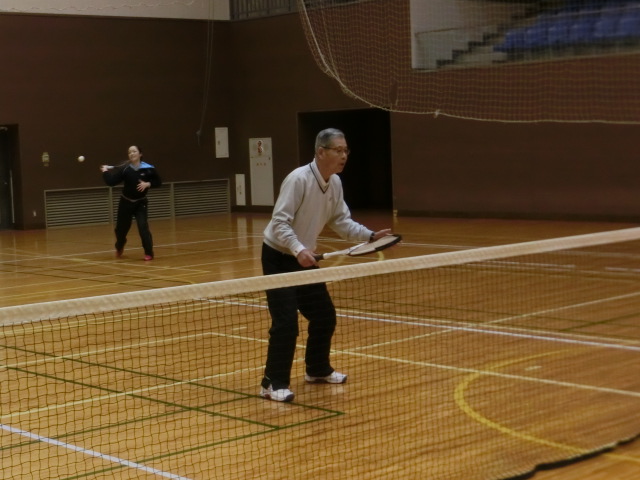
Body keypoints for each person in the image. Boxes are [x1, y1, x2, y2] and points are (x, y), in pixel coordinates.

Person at [260, 128, 391, 402]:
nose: (344, 156)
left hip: (303, 258)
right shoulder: (298, 179)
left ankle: (317, 369)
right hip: (278, 257)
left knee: (323, 316)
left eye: (346, 151)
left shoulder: (335, 183)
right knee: (286, 323)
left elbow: (341, 221)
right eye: (338, 150)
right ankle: (272, 383)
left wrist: (369, 236)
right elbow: (279, 222)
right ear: (321, 152)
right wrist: (298, 249)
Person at [100, 145, 162, 261]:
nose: (132, 153)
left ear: (140, 154)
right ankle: (120, 246)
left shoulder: (149, 169)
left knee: (143, 228)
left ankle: (149, 253)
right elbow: (111, 182)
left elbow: (158, 182)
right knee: (120, 230)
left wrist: (148, 184)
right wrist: (105, 172)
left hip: (140, 203)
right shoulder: (125, 169)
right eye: (129, 152)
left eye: (134, 151)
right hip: (125, 203)